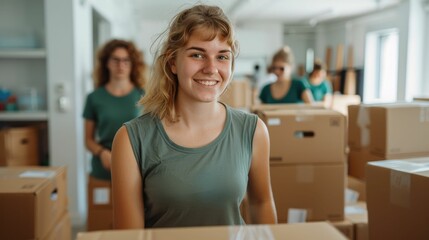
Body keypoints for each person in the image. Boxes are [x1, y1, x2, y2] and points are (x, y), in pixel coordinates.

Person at [111, 4, 277, 229]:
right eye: (197, 54)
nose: (211, 68)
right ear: (172, 62)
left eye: (222, 57)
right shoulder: (131, 139)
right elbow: (129, 235)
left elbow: (261, 202)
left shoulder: (253, 130)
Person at [83, 39, 146, 183]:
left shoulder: (143, 96)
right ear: (107, 63)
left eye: (126, 60)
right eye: (116, 60)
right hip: (103, 168)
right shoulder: (94, 98)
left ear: (132, 64)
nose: (121, 65)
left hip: (136, 168)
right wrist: (102, 153)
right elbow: (88, 140)